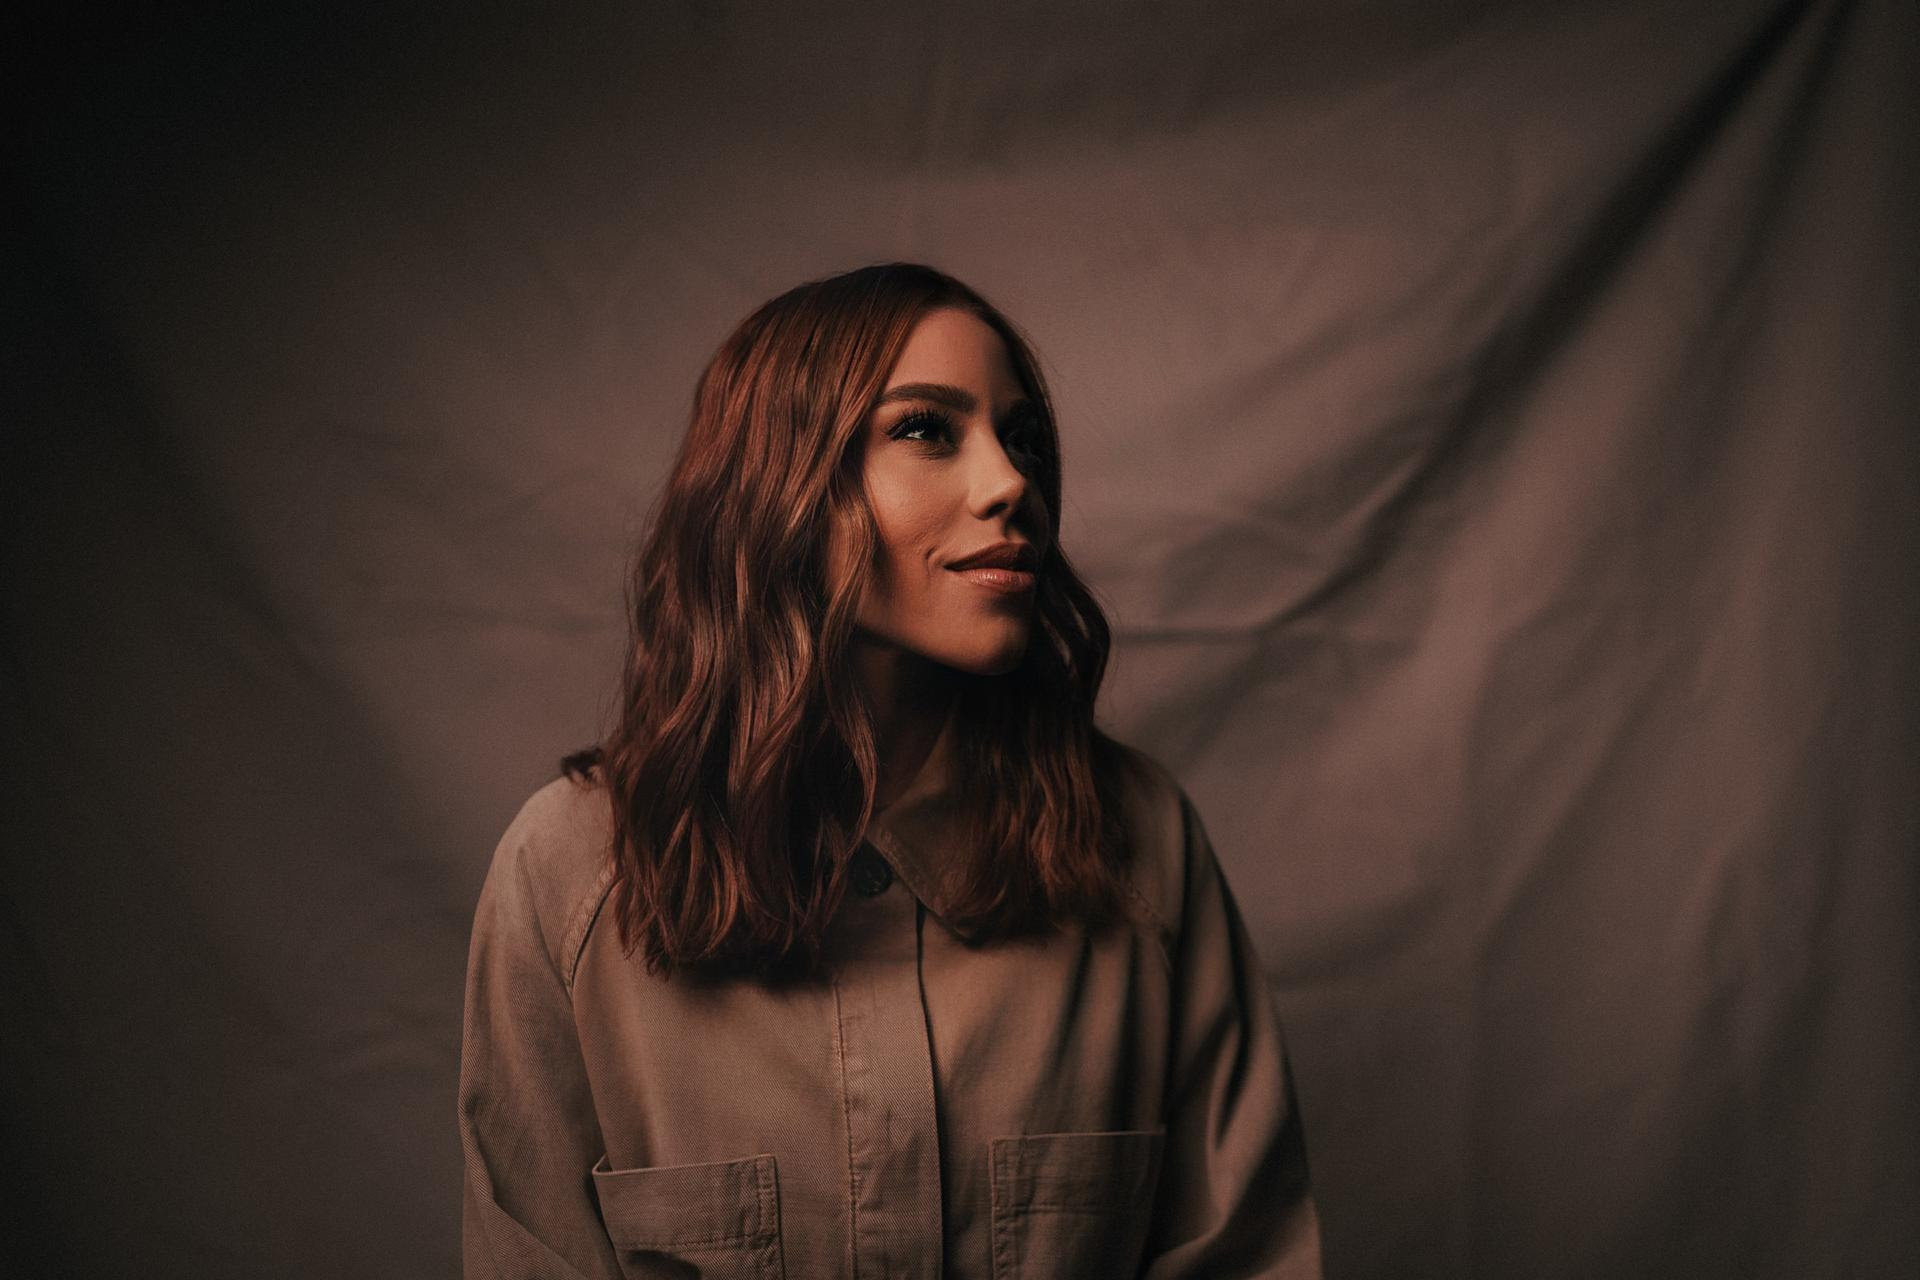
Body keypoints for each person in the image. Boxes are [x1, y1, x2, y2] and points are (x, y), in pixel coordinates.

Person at [459, 262, 1322, 1279]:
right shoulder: (567, 874)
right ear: (778, 484)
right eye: (925, 428)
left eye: (1023, 440)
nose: (1011, 484)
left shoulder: (1140, 842)